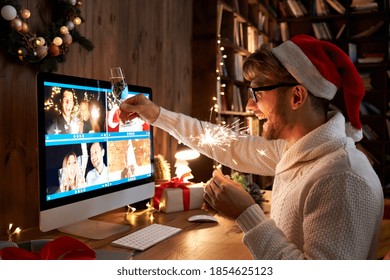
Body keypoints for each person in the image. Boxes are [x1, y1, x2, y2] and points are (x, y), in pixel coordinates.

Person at [119, 34, 384, 259]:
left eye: (258, 93)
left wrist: (246, 213)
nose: (250, 107)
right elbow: (230, 145)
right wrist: (157, 115)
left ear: (296, 96)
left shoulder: (341, 178)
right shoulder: (297, 150)